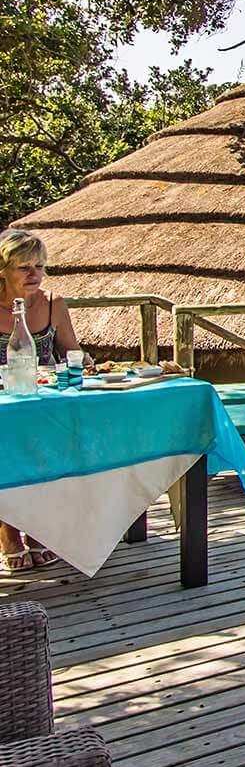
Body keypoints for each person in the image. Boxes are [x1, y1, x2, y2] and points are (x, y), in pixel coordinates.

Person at [0, 228, 81, 573]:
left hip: (44, 404)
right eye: (24, 268)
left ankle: (38, 528)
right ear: (3, 270)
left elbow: (73, 351)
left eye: (39, 266)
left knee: (56, 445)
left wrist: (85, 363)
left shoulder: (53, 304)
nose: (34, 274)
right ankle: (9, 532)